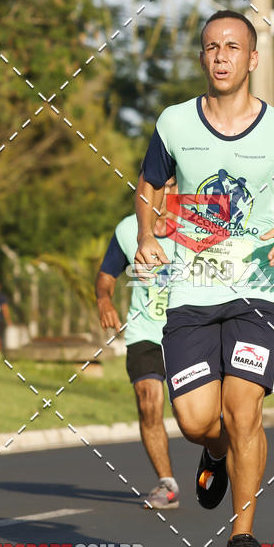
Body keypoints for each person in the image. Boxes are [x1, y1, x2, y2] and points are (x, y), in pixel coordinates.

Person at [135, 10, 274, 547]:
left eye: (232, 47)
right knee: (197, 421)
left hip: (257, 289)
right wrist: (147, 236)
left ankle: (242, 535)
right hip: (190, 289)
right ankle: (213, 451)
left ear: (252, 59)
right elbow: (148, 185)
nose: (221, 56)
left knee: (243, 411)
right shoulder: (174, 123)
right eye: (211, 47)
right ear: (202, 57)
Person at [96, 177, 180, 510]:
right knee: (149, 401)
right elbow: (106, 276)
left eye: (172, 186)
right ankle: (167, 483)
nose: (165, 193)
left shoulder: (199, 230)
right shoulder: (128, 230)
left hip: (190, 332)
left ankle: (216, 457)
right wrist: (104, 299)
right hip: (145, 333)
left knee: (197, 418)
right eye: (160, 186)